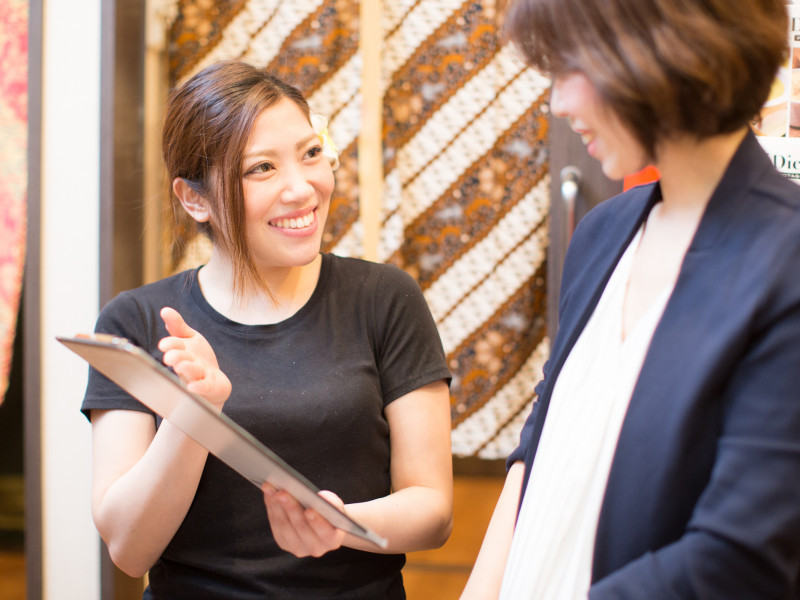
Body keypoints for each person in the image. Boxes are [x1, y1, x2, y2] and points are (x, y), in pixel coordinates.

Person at [461, 0, 800, 598]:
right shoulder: (603, 232)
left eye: (572, 69)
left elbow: (740, 556)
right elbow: (539, 444)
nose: (558, 103)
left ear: (658, 51)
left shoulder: (783, 258)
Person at [81, 60, 453, 599]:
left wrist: (337, 523)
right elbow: (129, 548)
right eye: (262, 168)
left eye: (311, 153)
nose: (302, 188)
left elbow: (433, 510)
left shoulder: (385, 299)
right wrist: (195, 413)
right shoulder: (138, 322)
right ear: (194, 199)